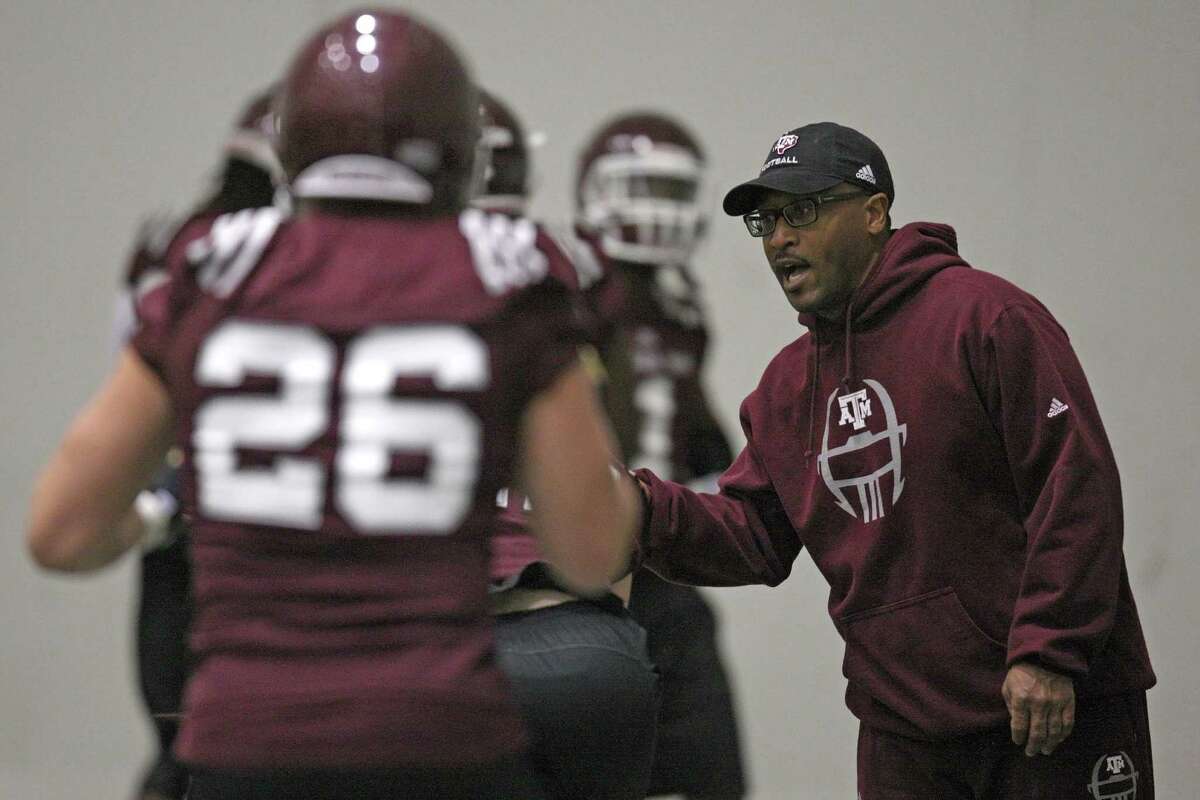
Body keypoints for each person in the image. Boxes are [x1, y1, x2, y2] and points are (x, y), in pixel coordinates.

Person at [27, 9, 640, 800]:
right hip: (439, 737)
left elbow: (61, 533)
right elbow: (593, 549)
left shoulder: (217, 272)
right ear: (462, 150)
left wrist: (153, 520)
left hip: (248, 741)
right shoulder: (502, 279)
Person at [633, 121, 1156, 798]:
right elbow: (753, 535)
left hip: (1046, 710)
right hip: (903, 735)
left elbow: (1074, 492)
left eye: (803, 211)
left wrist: (1048, 653)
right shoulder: (787, 390)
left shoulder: (987, 319)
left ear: (875, 212)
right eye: (766, 222)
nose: (779, 239)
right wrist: (634, 510)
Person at [474, 88, 661, 800]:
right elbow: (608, 509)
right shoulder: (555, 267)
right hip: (580, 635)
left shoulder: (350, 277)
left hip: (441, 650)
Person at [115, 85, 282, 800]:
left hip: (177, 510)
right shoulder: (287, 254)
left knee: (180, 743)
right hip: (256, 527)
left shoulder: (174, 242)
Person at [576, 112, 748, 800]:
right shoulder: (568, 290)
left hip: (665, 571)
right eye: (640, 184)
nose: (654, 206)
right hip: (577, 577)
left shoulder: (680, 307)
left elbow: (699, 434)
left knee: (708, 773)